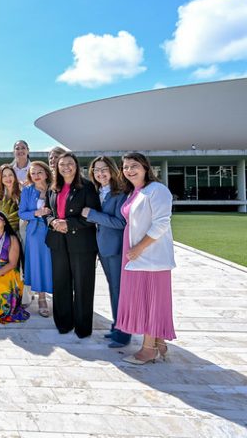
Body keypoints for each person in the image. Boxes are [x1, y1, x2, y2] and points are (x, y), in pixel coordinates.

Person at [116, 152, 176, 364]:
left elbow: (161, 223)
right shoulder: (134, 192)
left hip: (150, 256)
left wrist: (139, 248)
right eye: (125, 167)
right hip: (134, 255)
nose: (129, 170)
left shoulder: (157, 190)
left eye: (134, 166)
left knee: (151, 300)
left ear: (145, 168)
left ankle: (148, 349)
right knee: (141, 299)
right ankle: (158, 342)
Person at [45, 152, 100, 338]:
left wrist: (69, 224)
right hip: (57, 241)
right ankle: (63, 323)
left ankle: (83, 328)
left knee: (83, 284)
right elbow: (47, 212)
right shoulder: (53, 188)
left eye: (70, 163)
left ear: (76, 166)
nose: (66, 167)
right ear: (57, 167)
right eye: (62, 164)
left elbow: (92, 216)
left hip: (82, 243)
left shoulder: (87, 187)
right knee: (60, 283)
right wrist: (52, 222)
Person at [83, 156, 129, 348]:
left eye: (104, 169)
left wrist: (92, 215)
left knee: (119, 289)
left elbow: (120, 223)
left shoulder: (120, 194)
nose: (100, 173)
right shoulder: (98, 191)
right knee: (113, 288)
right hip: (102, 247)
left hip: (116, 248)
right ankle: (117, 325)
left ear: (112, 170)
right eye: (96, 170)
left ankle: (124, 332)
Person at [18, 161, 54, 317]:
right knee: (38, 265)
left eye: (39, 172)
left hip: (54, 231)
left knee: (53, 264)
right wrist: (36, 213)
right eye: (33, 173)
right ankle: (41, 298)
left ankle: (58, 295)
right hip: (35, 233)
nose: (36, 176)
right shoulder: (27, 191)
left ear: (46, 173)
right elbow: (22, 213)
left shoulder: (55, 189)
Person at [0, 164, 21, 232]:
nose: (8, 178)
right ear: (0, 179)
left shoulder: (22, 191)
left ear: (14, 176)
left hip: (21, 232)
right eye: (4, 176)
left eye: (10, 175)